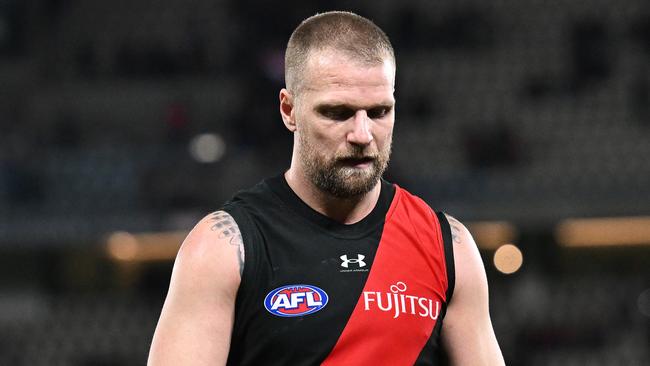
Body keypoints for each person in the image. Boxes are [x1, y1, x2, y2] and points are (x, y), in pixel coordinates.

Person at [148, 11, 504, 366]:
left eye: (379, 112)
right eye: (338, 113)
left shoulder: (448, 247)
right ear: (289, 110)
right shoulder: (222, 249)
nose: (363, 135)